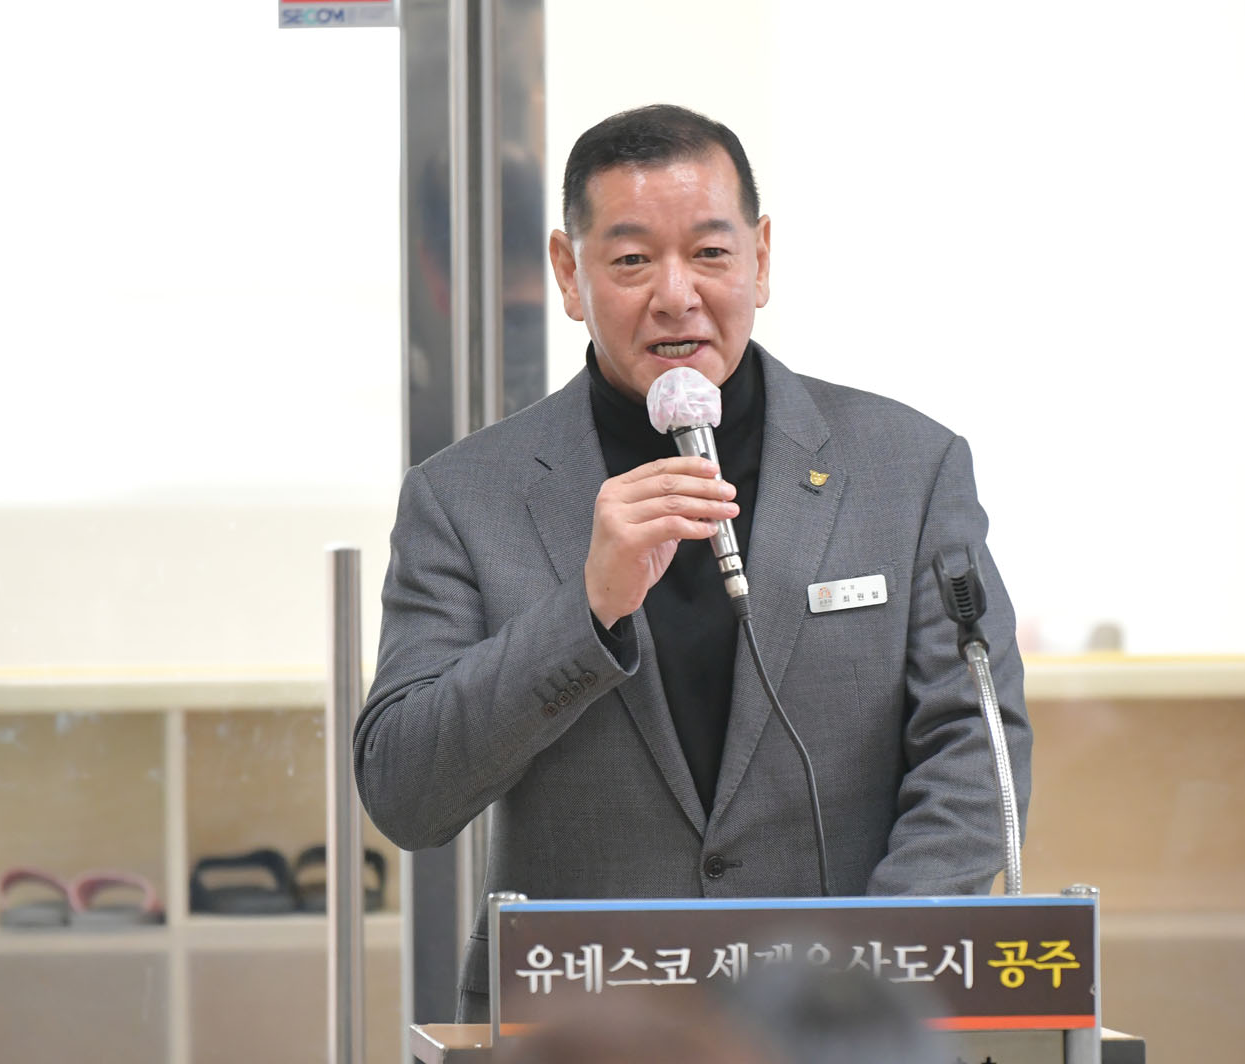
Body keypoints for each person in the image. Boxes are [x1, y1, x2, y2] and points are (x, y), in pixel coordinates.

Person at [354, 104, 1031, 1023]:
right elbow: (405, 794)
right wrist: (586, 610)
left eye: (710, 253)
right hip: (578, 1025)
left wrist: (875, 971)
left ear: (761, 257)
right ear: (569, 273)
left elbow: (971, 749)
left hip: (838, 1022)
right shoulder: (464, 497)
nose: (676, 295)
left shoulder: (907, 467)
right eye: (632, 260)